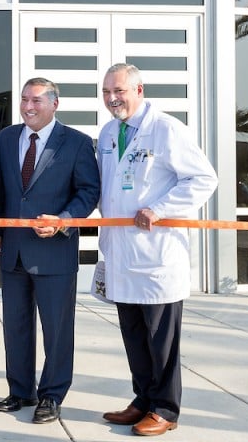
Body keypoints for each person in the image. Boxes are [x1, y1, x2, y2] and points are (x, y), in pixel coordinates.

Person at [97, 63, 218, 437]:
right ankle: (143, 401)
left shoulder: (165, 129)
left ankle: (166, 408)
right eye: (106, 92)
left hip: (156, 256)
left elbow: (203, 178)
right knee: (133, 337)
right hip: (120, 253)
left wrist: (161, 209)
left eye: (119, 91)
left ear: (139, 90)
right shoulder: (107, 132)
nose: (113, 98)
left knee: (160, 339)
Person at [0, 78, 100, 424]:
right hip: (14, 251)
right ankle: (20, 390)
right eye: (24, 100)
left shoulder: (78, 143)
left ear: (54, 104)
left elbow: (88, 192)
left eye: (36, 100)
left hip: (55, 252)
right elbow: (1, 191)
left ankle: (51, 395)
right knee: (16, 327)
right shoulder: (6, 139)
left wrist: (64, 220)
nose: (28, 107)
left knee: (57, 329)